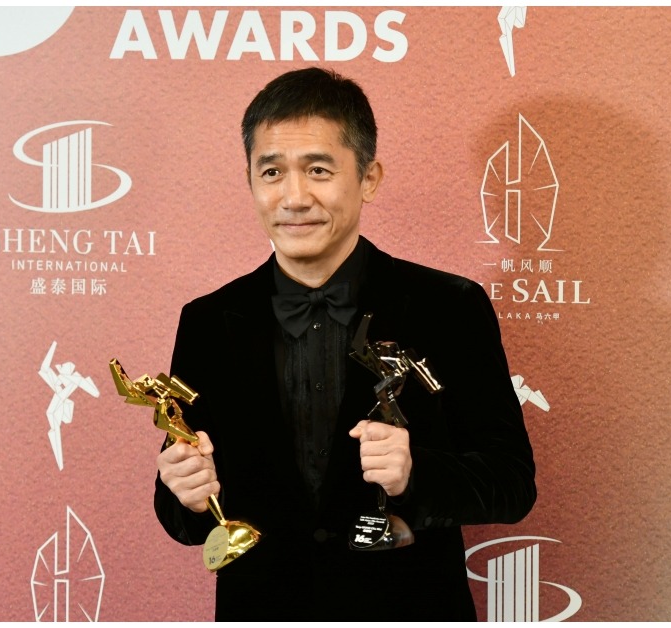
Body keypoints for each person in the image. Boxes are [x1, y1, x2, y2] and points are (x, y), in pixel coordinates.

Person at [152, 67, 536, 620]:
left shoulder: (448, 306)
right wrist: (184, 494)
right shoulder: (208, 322)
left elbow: (512, 483)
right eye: (271, 172)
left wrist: (416, 473)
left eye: (318, 170)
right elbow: (184, 516)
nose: (294, 197)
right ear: (250, 181)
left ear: (369, 178)